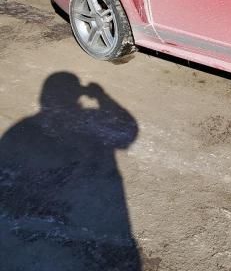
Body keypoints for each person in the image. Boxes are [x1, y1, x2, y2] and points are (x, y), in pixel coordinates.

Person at [0, 72, 140, 270]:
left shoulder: (20, 129)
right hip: (74, 222)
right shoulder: (88, 119)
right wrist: (101, 96)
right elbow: (128, 132)